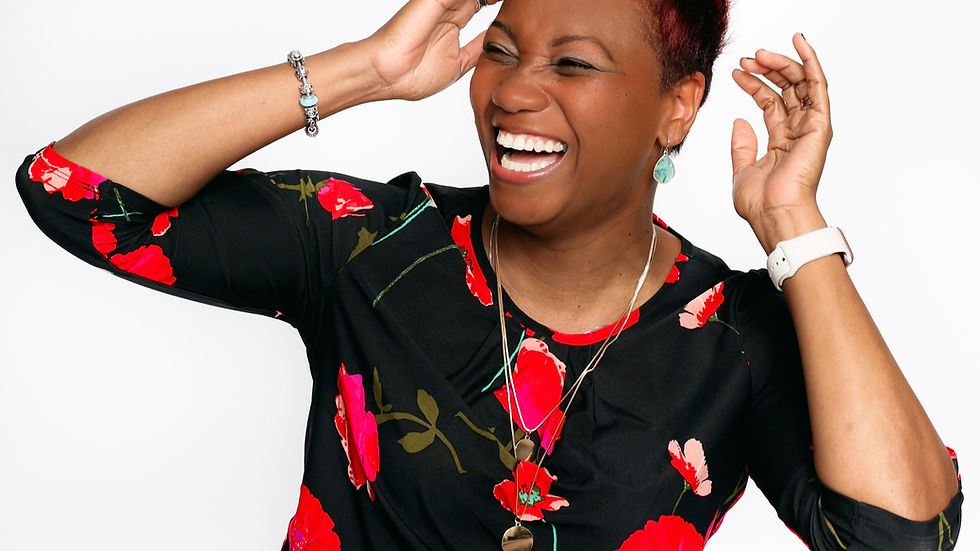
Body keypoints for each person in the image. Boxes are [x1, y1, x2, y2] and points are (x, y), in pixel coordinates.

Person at [14, 0, 963, 549]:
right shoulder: (373, 246)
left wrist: (794, 227)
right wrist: (364, 71)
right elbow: (73, 192)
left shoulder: (733, 334)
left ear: (679, 108)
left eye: (573, 63)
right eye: (501, 51)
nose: (512, 89)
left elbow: (902, 539)